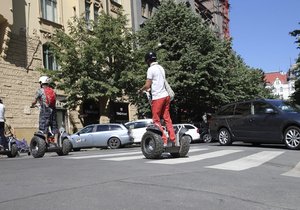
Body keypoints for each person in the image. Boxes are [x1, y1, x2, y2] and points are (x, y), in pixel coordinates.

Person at [139, 51, 176, 146]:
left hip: (158, 98)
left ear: (147, 61)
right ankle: (173, 139)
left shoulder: (151, 69)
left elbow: (147, 85)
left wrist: (140, 90)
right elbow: (158, 82)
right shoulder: (161, 68)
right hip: (166, 96)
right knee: (167, 118)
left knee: (156, 120)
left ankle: (163, 140)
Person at [31, 76, 58, 146]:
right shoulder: (52, 90)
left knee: (44, 126)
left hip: (45, 110)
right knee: (54, 126)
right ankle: (56, 142)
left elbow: (34, 101)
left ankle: (45, 143)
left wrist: (32, 104)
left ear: (41, 83)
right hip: (53, 110)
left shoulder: (40, 91)